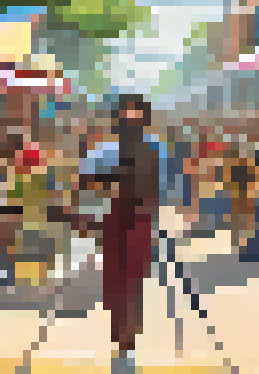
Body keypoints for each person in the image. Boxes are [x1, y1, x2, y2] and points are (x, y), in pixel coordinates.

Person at [82, 94, 163, 374]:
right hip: (112, 220)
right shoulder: (103, 151)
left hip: (140, 219)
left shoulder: (154, 150)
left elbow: (156, 188)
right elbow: (88, 183)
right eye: (127, 117)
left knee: (133, 281)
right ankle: (121, 337)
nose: (132, 123)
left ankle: (128, 342)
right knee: (115, 282)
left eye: (137, 117)